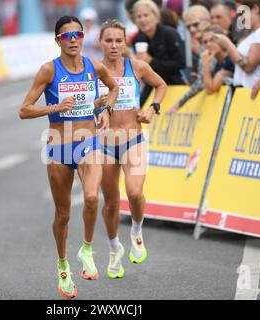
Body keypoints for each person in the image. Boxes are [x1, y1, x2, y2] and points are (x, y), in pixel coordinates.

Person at [18, 16, 119, 299]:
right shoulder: (48, 70)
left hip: (90, 143)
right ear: (58, 41)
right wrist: (55, 107)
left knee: (91, 198)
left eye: (77, 34)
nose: (73, 40)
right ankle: (63, 266)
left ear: (83, 37)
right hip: (59, 147)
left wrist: (106, 109)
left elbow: (114, 88)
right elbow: (24, 110)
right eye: (66, 36)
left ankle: (86, 248)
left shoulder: (94, 66)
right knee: (63, 215)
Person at [95, 19, 167, 278]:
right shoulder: (92, 70)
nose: (114, 45)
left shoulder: (136, 67)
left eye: (118, 40)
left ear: (125, 43)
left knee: (135, 193)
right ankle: (115, 250)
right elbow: (82, 107)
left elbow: (161, 85)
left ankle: (136, 230)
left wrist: (152, 108)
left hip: (133, 139)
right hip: (103, 145)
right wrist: (95, 103)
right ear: (100, 42)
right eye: (109, 40)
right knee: (112, 202)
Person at [212, 0, 260, 88]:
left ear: (255, 9)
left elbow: (248, 66)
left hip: (254, 94)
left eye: (242, 13)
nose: (240, 18)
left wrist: (228, 45)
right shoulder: (252, 34)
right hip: (244, 93)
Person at [167, 24, 235, 114]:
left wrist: (205, 65)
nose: (209, 44)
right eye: (205, 42)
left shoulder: (229, 60)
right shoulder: (216, 62)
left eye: (212, 40)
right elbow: (202, 84)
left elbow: (210, 89)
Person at [131, 0, 186, 106]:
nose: (142, 19)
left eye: (146, 15)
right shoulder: (137, 39)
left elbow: (180, 63)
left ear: (155, 16)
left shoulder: (170, 33)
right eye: (138, 17)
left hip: (174, 84)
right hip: (151, 87)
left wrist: (151, 61)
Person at [183, 5, 211, 76]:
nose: (191, 29)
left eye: (196, 24)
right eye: (188, 27)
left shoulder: (216, 41)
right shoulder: (199, 44)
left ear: (208, 21)